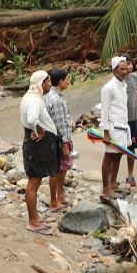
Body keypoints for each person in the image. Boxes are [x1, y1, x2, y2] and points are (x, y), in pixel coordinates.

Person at [19, 70, 59, 235]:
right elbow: (32, 118)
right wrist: (40, 130)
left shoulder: (30, 97)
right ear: (41, 84)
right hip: (36, 144)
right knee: (33, 184)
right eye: (48, 81)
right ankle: (33, 221)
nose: (50, 84)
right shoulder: (34, 101)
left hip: (33, 142)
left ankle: (34, 217)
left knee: (34, 182)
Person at [99, 56, 133, 198]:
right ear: (114, 70)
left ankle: (113, 183)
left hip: (122, 126)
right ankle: (105, 187)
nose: (125, 72)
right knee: (109, 156)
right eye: (122, 69)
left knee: (119, 155)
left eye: (126, 69)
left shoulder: (123, 84)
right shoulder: (108, 87)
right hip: (112, 127)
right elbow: (104, 111)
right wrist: (106, 132)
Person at [44, 68, 74, 213]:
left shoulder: (50, 95)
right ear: (61, 82)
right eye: (67, 79)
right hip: (59, 140)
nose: (69, 81)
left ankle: (60, 196)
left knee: (62, 168)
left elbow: (62, 119)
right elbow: (58, 123)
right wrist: (64, 145)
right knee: (56, 170)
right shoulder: (56, 100)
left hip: (57, 139)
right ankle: (54, 200)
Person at [123, 53, 137, 189]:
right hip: (120, 120)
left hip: (133, 118)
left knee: (131, 147)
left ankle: (130, 175)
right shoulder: (118, 81)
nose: (130, 67)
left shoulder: (135, 78)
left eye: (131, 64)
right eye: (127, 64)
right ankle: (112, 178)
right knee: (117, 148)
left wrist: (136, 94)